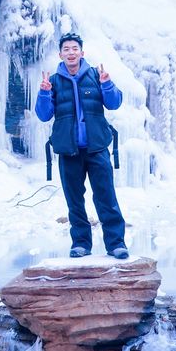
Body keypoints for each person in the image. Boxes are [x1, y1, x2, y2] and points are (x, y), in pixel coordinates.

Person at [36, 32, 129, 259]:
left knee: (106, 197)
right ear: (60, 54)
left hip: (97, 148)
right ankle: (81, 244)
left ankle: (116, 244)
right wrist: (44, 93)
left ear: (82, 52)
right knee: (74, 200)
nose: (71, 52)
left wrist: (107, 84)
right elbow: (43, 115)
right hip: (68, 151)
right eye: (66, 49)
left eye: (74, 49)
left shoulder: (97, 76)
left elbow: (115, 103)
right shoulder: (55, 81)